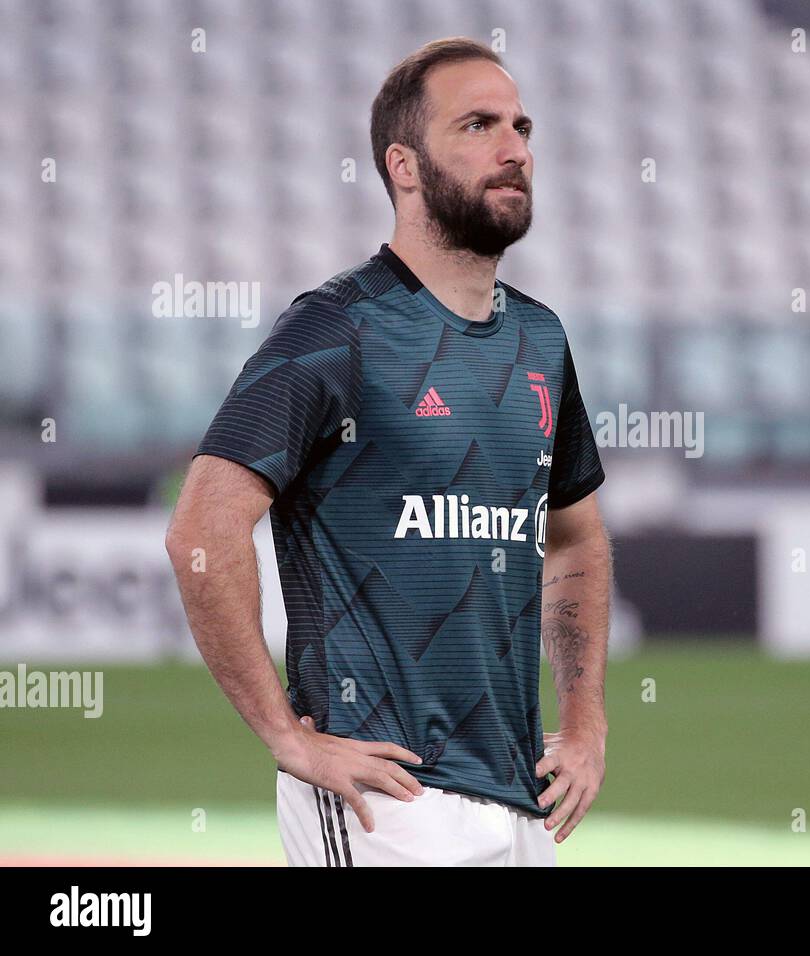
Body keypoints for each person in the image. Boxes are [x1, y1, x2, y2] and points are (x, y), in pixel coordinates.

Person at [165, 37, 611, 866]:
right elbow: (201, 528)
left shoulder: (542, 340)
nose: (515, 149)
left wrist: (584, 724)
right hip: (387, 802)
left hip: (523, 803)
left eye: (520, 126)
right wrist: (286, 737)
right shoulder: (334, 330)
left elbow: (577, 538)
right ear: (403, 166)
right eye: (479, 125)